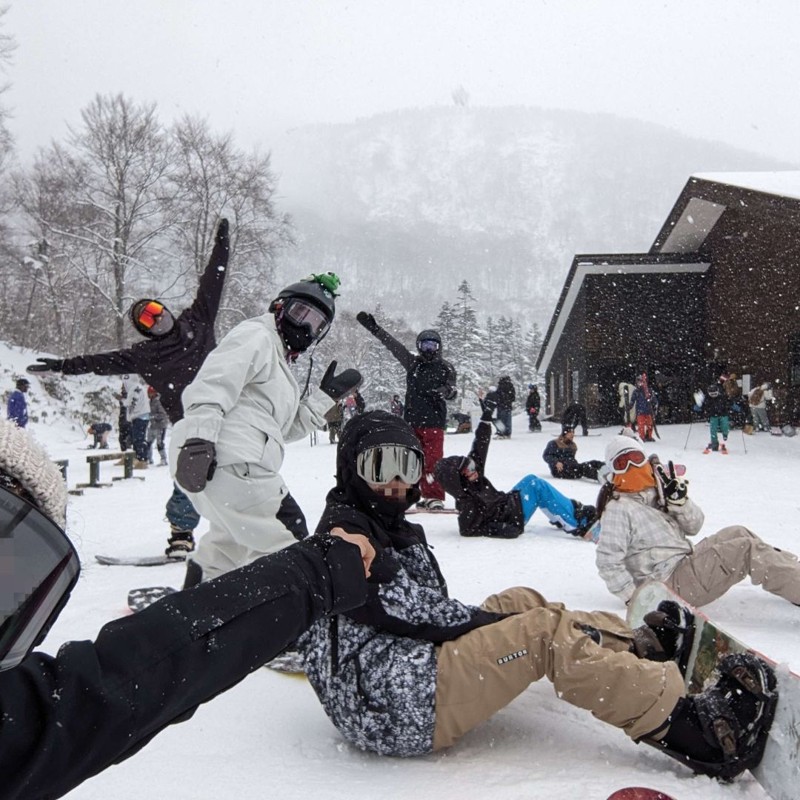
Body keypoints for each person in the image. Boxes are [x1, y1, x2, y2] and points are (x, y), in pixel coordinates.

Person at [295, 410, 776, 782]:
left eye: (406, 465)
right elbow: (404, 609)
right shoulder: (345, 539)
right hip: (395, 704)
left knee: (520, 600)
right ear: (350, 469)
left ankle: (633, 646)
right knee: (541, 635)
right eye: (381, 465)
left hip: (405, 663)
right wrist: (497, 630)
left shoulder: (386, 525)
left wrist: (493, 621)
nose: (396, 483)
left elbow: (415, 613)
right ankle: (700, 733)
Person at [0, 416, 374, 800]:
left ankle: (202, 576)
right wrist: (199, 438)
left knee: (230, 541)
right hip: (229, 466)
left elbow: (140, 669)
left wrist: (316, 406)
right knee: (266, 529)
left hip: (246, 466)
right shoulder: (242, 354)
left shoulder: (16, 729)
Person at [28, 219, 230, 558]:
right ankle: (181, 533)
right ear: (145, 332)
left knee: (241, 466)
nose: (156, 318)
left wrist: (222, 244)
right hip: (189, 424)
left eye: (155, 311)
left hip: (227, 410)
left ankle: (245, 526)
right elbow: (99, 362)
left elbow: (214, 279)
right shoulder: (144, 356)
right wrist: (63, 366)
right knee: (190, 474)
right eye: (147, 320)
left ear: (165, 309)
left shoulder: (198, 320)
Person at [171, 272, 361, 586]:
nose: (305, 327)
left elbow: (280, 430)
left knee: (229, 546)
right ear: (279, 308)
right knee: (288, 539)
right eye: (300, 313)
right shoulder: (256, 336)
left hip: (229, 462)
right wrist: (199, 438)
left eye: (317, 325)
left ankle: (194, 604)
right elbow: (216, 380)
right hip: (223, 456)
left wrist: (323, 398)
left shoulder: (279, 362)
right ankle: (276, 622)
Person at [593, 433, 800, 609]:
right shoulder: (618, 509)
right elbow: (607, 561)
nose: (630, 466)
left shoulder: (658, 491)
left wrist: (680, 503)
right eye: (621, 463)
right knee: (745, 549)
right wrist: (637, 600)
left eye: (635, 458)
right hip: (668, 585)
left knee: (739, 532)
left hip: (684, 563)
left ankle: (794, 577)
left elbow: (695, 526)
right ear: (613, 472)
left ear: (645, 459)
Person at [435, 403, 597, 539]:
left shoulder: (474, 477)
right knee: (536, 486)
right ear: (460, 477)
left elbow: (480, 445)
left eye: (472, 465)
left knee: (530, 479)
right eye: (469, 468)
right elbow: (468, 530)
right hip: (512, 516)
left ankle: (563, 513)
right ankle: (578, 525)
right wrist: (503, 529)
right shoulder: (468, 503)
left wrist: (485, 418)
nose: (474, 469)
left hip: (507, 503)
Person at [356, 313, 457, 511]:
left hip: (434, 422)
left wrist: (445, 391)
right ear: (419, 347)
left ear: (439, 347)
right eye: (425, 345)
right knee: (409, 459)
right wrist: (375, 329)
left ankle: (433, 496)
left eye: (433, 346)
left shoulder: (446, 367)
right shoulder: (413, 364)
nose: (429, 350)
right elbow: (393, 346)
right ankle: (405, 493)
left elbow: (453, 390)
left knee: (433, 460)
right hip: (411, 422)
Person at [702, 373, 732, 454]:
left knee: (725, 426)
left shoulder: (722, 395)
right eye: (712, 395)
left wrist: (730, 405)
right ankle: (714, 443)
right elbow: (704, 406)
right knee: (713, 429)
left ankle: (725, 434)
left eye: (715, 394)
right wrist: (703, 410)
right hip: (713, 415)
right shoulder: (707, 398)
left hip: (723, 413)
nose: (713, 396)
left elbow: (728, 402)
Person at [124, 376, 150, 468]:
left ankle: (141, 459)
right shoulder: (141, 387)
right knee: (141, 438)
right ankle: (141, 458)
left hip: (138, 416)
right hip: (144, 415)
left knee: (138, 439)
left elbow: (131, 402)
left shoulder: (134, 389)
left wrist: (124, 401)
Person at [630, 373, 658, 442]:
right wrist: (630, 405)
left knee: (650, 425)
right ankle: (642, 437)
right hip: (640, 411)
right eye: (638, 381)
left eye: (641, 381)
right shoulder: (636, 391)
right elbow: (632, 400)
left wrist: (654, 403)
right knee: (641, 425)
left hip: (648, 411)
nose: (640, 383)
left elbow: (654, 400)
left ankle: (649, 436)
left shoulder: (649, 391)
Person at [146, 386, 169, 465]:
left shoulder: (159, 402)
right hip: (152, 425)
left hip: (160, 426)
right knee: (148, 443)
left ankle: (163, 459)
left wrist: (152, 416)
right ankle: (148, 459)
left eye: (149, 393)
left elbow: (163, 414)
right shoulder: (151, 402)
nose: (148, 394)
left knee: (159, 443)